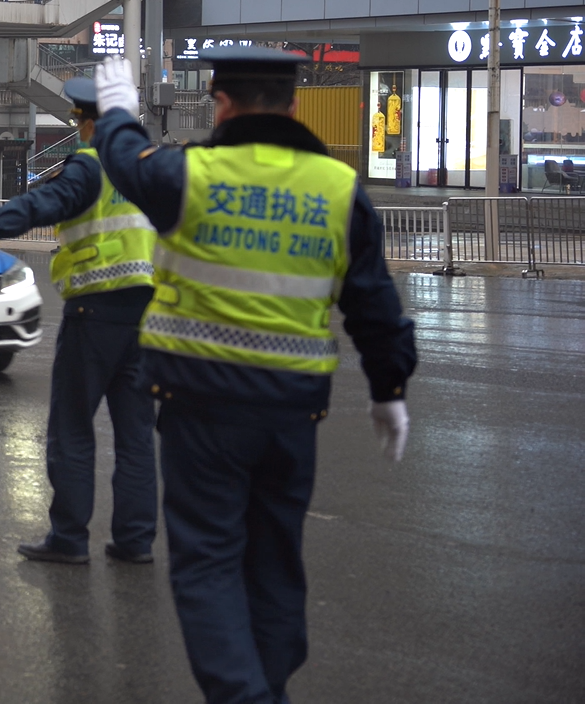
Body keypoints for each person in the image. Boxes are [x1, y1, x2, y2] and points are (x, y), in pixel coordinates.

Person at [88, 47, 417, 704]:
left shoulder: (190, 175)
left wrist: (119, 108)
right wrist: (389, 390)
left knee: (207, 563)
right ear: (294, 106)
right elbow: (375, 304)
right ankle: (270, 688)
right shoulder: (338, 188)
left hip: (200, 410)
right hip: (292, 413)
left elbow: (124, 161)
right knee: (275, 566)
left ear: (221, 103)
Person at [0, 76, 157, 566]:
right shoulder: (150, 167)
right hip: (147, 315)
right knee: (137, 436)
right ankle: (136, 540)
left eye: (78, 121)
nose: (78, 130)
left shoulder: (90, 165)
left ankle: (69, 538)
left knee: (73, 429)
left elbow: (44, 202)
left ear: (90, 123)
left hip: (94, 313)